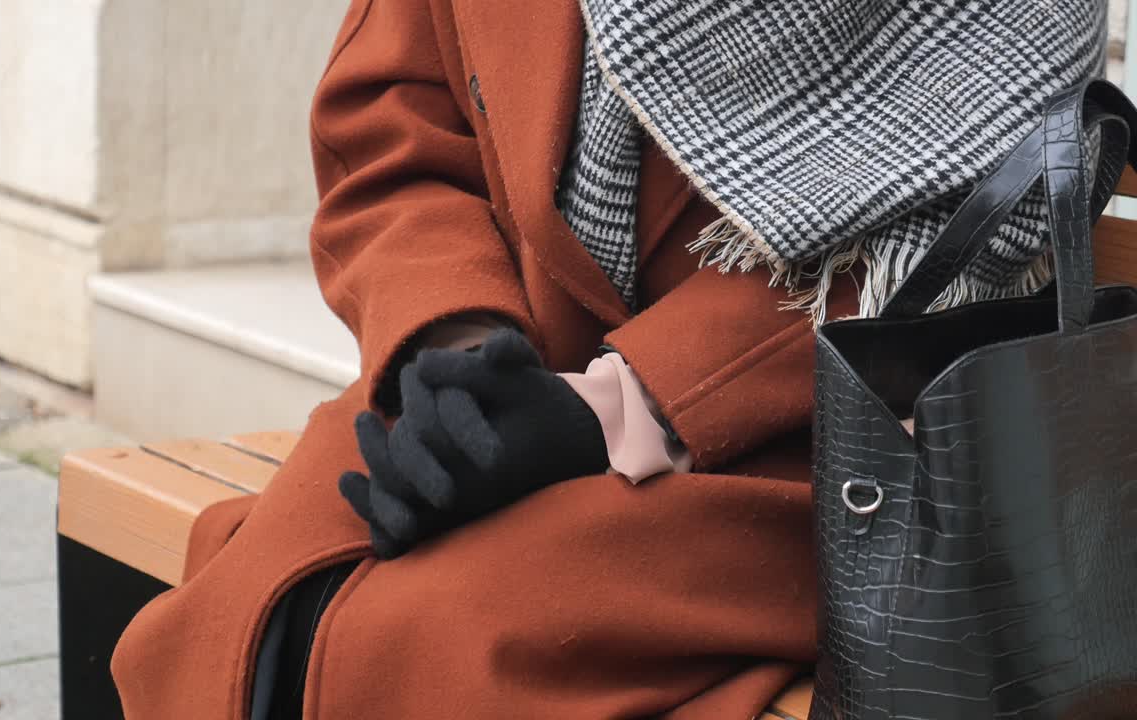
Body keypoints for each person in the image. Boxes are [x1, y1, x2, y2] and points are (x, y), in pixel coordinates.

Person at [110, 1, 1104, 718]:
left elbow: (946, 234)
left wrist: (610, 408)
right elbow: (393, 130)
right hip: (510, 369)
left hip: (810, 450)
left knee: (429, 633)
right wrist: (454, 352)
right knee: (263, 606)